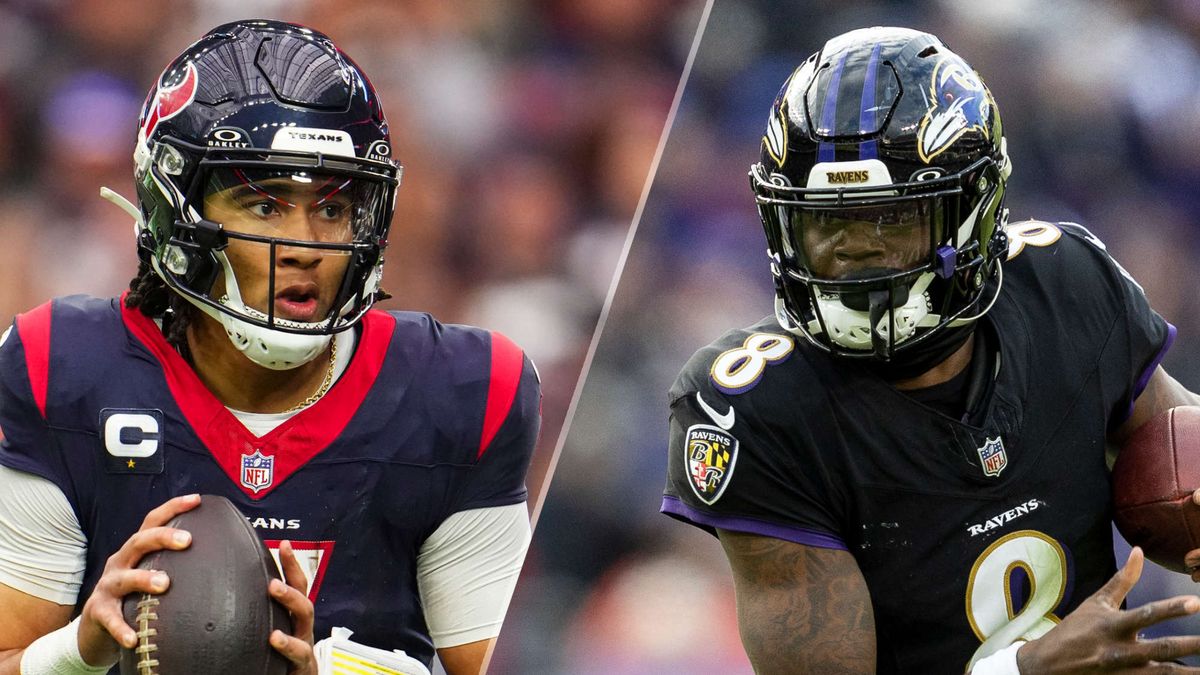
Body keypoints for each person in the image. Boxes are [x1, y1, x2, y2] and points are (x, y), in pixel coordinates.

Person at [0, 20, 540, 675]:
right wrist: (81, 649)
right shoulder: (60, 367)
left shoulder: (462, 391)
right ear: (179, 208)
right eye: (265, 205)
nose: (308, 243)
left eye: (334, 208)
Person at [662, 26, 1200, 674]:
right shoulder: (754, 410)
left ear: (972, 212)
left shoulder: (1066, 282)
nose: (855, 251)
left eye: (891, 217)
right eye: (827, 219)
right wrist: (1024, 671)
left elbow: (1176, 456)